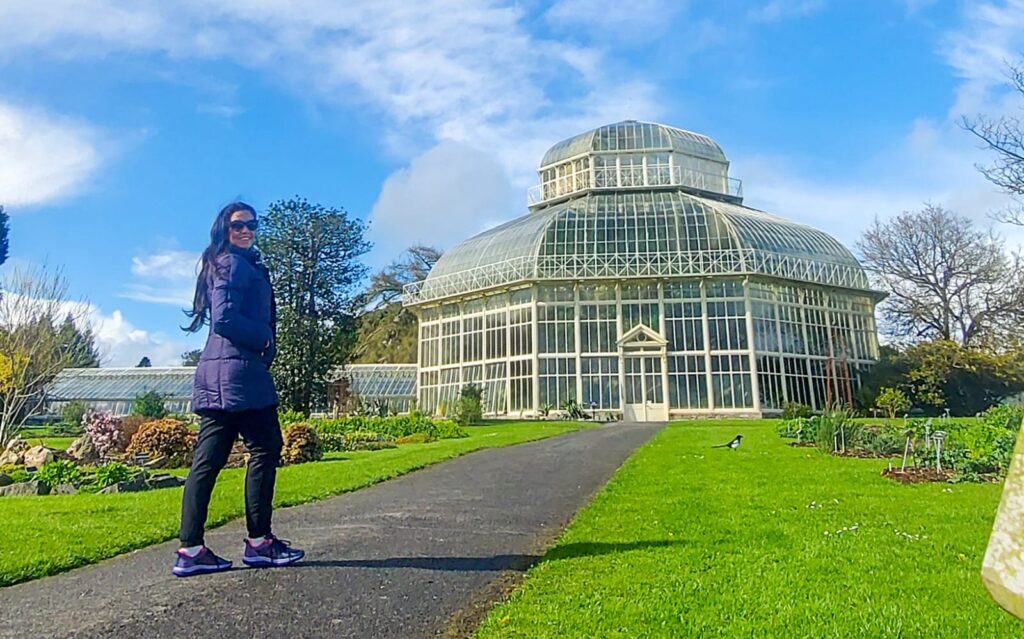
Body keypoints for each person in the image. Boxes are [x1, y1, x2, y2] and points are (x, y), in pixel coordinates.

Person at [173, 201, 304, 577]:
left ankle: (191, 548)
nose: (246, 230)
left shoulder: (227, 263)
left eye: (251, 224)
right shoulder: (232, 264)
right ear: (224, 230)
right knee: (266, 446)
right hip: (239, 374)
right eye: (237, 226)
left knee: (208, 462)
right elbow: (226, 318)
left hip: (220, 374)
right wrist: (265, 340)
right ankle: (259, 543)